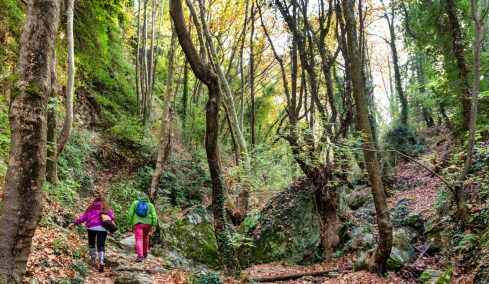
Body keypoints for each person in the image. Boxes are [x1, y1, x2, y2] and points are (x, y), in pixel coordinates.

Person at [69, 194, 115, 272]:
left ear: (95, 201)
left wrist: (74, 223)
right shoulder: (107, 208)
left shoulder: (91, 208)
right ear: (104, 201)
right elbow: (112, 217)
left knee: (91, 243)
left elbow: (83, 218)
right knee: (101, 245)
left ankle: (93, 259)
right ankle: (101, 261)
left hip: (91, 228)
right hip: (103, 228)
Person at [127, 193, 157, 262]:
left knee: (139, 239)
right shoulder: (150, 205)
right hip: (148, 223)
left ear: (139, 197)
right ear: (147, 198)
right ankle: (145, 253)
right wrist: (154, 225)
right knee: (145, 237)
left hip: (138, 223)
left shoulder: (135, 203)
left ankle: (140, 256)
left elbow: (130, 214)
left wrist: (129, 224)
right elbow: (154, 216)